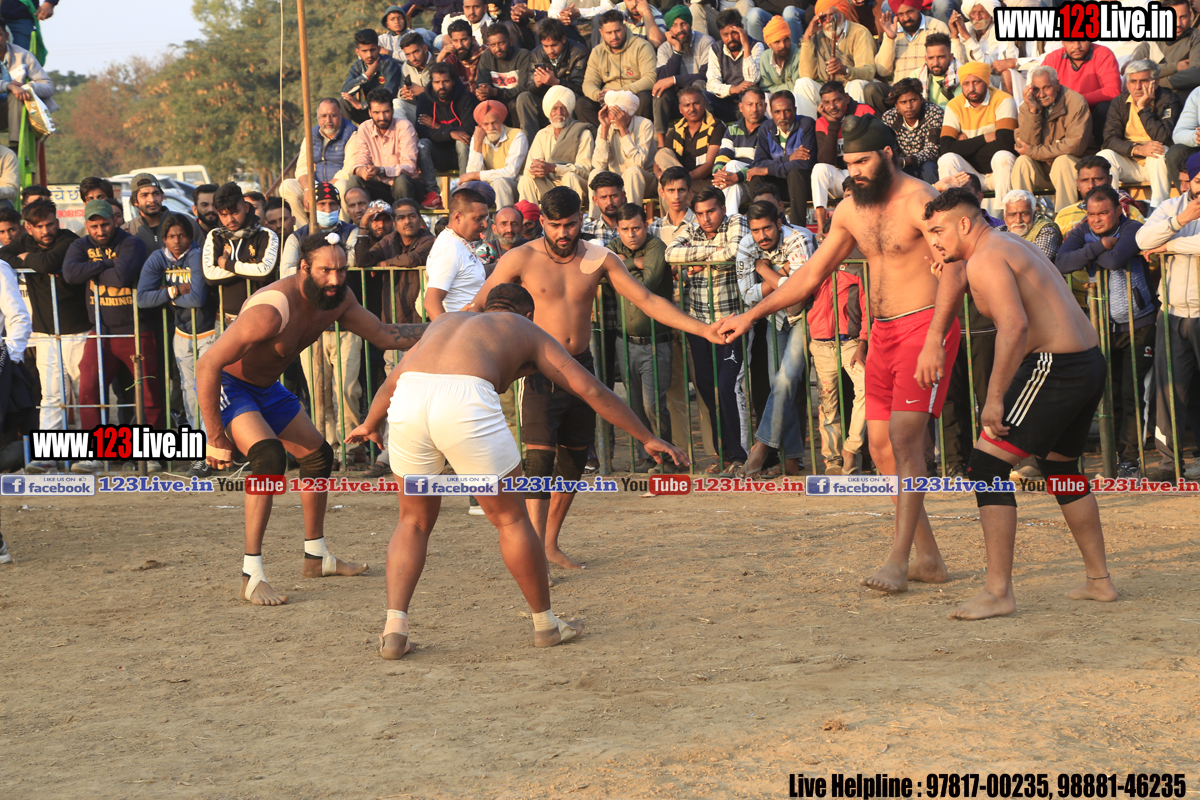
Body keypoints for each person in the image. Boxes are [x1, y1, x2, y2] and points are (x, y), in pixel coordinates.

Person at [348, 282, 686, 658]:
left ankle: (394, 631)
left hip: (409, 398)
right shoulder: (524, 327)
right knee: (511, 519)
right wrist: (646, 437)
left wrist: (370, 424)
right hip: (465, 399)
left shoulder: (445, 322)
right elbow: (590, 390)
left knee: (412, 520)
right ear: (528, 314)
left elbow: (393, 381)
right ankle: (546, 626)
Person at [718, 114, 962, 594]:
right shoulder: (850, 209)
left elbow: (954, 269)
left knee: (905, 442)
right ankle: (929, 559)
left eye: (863, 161)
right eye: (849, 164)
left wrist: (937, 336)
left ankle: (898, 560)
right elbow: (810, 275)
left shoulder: (921, 200)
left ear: (887, 155)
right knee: (881, 448)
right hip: (882, 333)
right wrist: (751, 316)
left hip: (923, 327)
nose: (855, 172)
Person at [469, 186, 723, 572]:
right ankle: (533, 555)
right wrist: (443, 337)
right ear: (541, 222)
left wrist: (703, 329)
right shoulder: (520, 257)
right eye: (555, 225)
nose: (563, 233)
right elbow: (479, 305)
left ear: (581, 220)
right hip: (537, 369)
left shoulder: (599, 257)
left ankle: (549, 544)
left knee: (574, 463)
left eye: (571, 224)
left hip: (580, 365)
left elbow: (647, 301)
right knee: (538, 462)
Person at [197, 234, 428, 606]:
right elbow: (208, 364)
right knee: (269, 458)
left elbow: (385, 335)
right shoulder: (272, 309)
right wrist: (215, 437)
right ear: (304, 268)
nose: (335, 280)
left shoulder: (338, 299)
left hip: (267, 389)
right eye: (325, 271)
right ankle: (251, 575)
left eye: (341, 270)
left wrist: (448, 326)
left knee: (319, 456)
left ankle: (316, 557)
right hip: (231, 385)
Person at [920, 186, 1117, 619]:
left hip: (1055, 365)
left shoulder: (986, 257)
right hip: (1086, 361)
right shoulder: (1006, 244)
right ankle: (1099, 581)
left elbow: (1013, 326)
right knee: (1061, 469)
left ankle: (998, 592)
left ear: (965, 224)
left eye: (938, 231)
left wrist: (993, 399)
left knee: (986, 466)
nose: (934, 241)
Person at [1056, 185, 1156, 478]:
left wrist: (1088, 254)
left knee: (1132, 394)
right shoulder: (1084, 230)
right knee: (1108, 395)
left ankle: (1130, 460)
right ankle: (1112, 458)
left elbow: (1115, 261)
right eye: (1091, 214)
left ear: (1118, 210)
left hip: (1139, 324)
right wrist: (1100, 246)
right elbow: (1061, 263)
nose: (1096, 219)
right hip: (1101, 327)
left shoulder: (1132, 228)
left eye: (1103, 213)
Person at [62, 200, 165, 471]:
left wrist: (93, 269)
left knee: (148, 393)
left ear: (115, 220)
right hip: (101, 331)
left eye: (105, 224)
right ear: (86, 225)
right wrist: (108, 263)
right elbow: (70, 274)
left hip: (136, 328)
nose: (100, 230)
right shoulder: (80, 245)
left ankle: (150, 454)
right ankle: (94, 454)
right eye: (94, 226)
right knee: (88, 391)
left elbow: (121, 278)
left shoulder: (131, 243)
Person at [665, 185, 750, 472]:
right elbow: (670, 254)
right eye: (700, 213)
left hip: (730, 323)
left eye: (711, 211)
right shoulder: (692, 227)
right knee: (706, 388)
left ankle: (740, 456)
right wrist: (711, 255)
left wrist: (697, 258)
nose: (705, 218)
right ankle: (723, 456)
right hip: (699, 325)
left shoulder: (736, 221)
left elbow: (734, 252)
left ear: (723, 208)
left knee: (727, 387)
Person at [0, 200, 86, 469]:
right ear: (28, 228)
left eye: (50, 224)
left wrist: (29, 260)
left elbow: (50, 261)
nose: (46, 231)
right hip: (45, 333)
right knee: (51, 396)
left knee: (83, 394)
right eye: (39, 226)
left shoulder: (70, 240)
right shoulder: (24, 242)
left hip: (79, 330)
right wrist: (30, 259)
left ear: (57, 222)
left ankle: (88, 456)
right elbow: (4, 256)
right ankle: (47, 456)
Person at [734, 200, 816, 477]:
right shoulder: (747, 244)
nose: (762, 236)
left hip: (805, 314)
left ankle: (760, 446)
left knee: (785, 380)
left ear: (779, 223)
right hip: (774, 317)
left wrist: (763, 270)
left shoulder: (800, 238)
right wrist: (781, 276)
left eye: (767, 228)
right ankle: (791, 459)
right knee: (779, 386)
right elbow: (749, 297)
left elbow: (798, 293)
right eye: (756, 230)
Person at [355, 198, 436, 479]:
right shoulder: (389, 240)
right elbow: (362, 261)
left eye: (411, 216)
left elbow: (415, 259)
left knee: (424, 394)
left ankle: (425, 454)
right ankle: (388, 454)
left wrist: (385, 263)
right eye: (401, 217)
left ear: (419, 219)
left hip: (424, 329)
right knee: (394, 393)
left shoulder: (430, 240)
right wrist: (363, 227)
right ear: (395, 222)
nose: (407, 221)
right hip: (394, 331)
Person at [136, 213, 218, 478]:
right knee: (189, 394)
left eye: (182, 235)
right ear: (164, 238)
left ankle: (215, 451)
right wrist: (173, 291)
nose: (177, 240)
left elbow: (197, 298)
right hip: (181, 334)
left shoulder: (196, 254)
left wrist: (164, 297)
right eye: (171, 236)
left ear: (190, 236)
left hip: (209, 333)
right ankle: (199, 454)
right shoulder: (158, 258)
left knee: (212, 392)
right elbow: (142, 299)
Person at [1137, 153, 1200, 481]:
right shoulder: (1171, 207)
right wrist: (1181, 220)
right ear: (1189, 181)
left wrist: (1170, 245)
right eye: (1199, 180)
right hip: (1172, 312)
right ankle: (1168, 463)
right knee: (1169, 390)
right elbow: (1142, 240)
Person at [1053, 154, 1146, 311]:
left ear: (1109, 180)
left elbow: (1143, 258)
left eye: (1097, 179)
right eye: (1085, 180)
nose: (1091, 185)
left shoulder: (1130, 213)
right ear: (1077, 184)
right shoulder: (1064, 215)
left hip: (1125, 303)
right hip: (1075, 301)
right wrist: (1099, 246)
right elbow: (1060, 260)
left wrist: (1084, 250)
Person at [1096, 60, 1180, 213]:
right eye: (1133, 81)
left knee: (1158, 151)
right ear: (1127, 84)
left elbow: (1162, 136)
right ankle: (1110, 208)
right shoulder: (1119, 102)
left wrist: (1143, 108)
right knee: (1104, 156)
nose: (1138, 86)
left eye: (1144, 81)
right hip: (1129, 161)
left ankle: (1158, 210)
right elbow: (1109, 140)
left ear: (1156, 82)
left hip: (1157, 165)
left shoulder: (1168, 99)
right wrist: (1137, 149)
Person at [936, 61, 1017, 216]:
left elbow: (1005, 144)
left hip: (997, 173)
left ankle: (1004, 218)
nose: (971, 88)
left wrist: (964, 147)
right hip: (969, 174)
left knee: (1003, 157)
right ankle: (954, 214)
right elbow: (946, 147)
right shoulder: (954, 106)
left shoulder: (1003, 100)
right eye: (966, 83)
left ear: (986, 81)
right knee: (947, 159)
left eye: (976, 82)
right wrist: (985, 138)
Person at [1009, 66, 1091, 213]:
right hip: (1042, 169)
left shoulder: (1076, 102)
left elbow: (1074, 146)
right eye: (1036, 89)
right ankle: (1022, 216)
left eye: (1046, 88)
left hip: (1072, 169)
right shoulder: (1027, 106)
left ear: (1057, 85)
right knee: (1022, 162)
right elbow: (1023, 144)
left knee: (1062, 161)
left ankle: (1064, 218)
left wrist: (1033, 151)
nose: (1041, 94)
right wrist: (1033, 112)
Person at [202, 183, 281, 324]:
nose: (230, 219)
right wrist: (250, 265)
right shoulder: (214, 236)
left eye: (234, 212)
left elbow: (265, 271)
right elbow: (210, 275)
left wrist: (226, 264)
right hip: (225, 321)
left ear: (246, 208)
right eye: (223, 215)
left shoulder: (267, 235)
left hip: (261, 318)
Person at [794, 0, 885, 120]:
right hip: (829, 89)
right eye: (823, 17)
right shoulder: (818, 36)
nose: (828, 20)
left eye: (832, 15)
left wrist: (845, 70)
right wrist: (807, 38)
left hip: (852, 85)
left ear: (842, 13)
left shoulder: (860, 32)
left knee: (855, 84)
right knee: (803, 83)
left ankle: (853, 127)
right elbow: (808, 74)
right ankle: (809, 129)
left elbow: (868, 72)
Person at [811, 81, 875, 237]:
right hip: (842, 175)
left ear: (846, 98)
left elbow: (875, 148)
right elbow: (825, 160)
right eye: (826, 103)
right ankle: (821, 228)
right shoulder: (822, 122)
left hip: (865, 174)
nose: (832, 107)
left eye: (837, 100)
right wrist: (833, 125)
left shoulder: (864, 111)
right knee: (819, 169)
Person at [281, 98, 356, 226]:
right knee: (287, 186)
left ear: (341, 115)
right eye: (323, 116)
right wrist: (308, 189)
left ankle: (342, 229)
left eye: (333, 115)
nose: (328, 120)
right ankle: (304, 229)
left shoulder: (352, 134)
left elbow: (349, 169)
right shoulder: (311, 134)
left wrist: (325, 189)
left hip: (337, 184)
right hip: (315, 186)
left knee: (342, 186)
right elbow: (302, 167)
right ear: (318, 117)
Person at [518, 85, 594, 206]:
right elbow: (529, 168)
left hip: (574, 185)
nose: (559, 113)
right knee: (525, 180)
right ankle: (530, 216)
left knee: (570, 176)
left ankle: (570, 214)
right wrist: (537, 169)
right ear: (549, 111)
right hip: (549, 186)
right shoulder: (542, 134)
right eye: (554, 108)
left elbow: (585, 169)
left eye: (563, 108)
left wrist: (554, 168)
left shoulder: (583, 133)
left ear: (569, 110)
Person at [651, 4, 717, 142]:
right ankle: (661, 143)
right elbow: (662, 79)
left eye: (683, 24)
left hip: (699, 99)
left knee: (699, 84)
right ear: (669, 29)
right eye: (674, 25)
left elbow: (706, 75)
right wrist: (677, 50)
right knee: (661, 92)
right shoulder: (665, 48)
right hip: (677, 101)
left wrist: (674, 80)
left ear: (690, 24)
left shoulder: (706, 42)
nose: (680, 29)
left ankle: (703, 135)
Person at [579, 10, 656, 128]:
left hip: (632, 96)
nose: (614, 36)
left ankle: (637, 133)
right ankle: (604, 134)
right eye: (609, 33)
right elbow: (589, 83)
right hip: (607, 99)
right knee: (582, 104)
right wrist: (598, 95)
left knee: (645, 97)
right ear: (601, 32)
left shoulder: (642, 46)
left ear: (624, 28)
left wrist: (621, 92)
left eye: (617, 31)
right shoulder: (597, 52)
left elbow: (650, 78)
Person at [516, 18, 588, 143]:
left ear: (563, 39)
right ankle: (531, 145)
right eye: (546, 46)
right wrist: (536, 84)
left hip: (569, 102)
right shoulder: (536, 54)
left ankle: (570, 143)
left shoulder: (579, 52)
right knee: (524, 98)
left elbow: (580, 88)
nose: (550, 51)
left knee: (575, 100)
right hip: (546, 102)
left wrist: (556, 82)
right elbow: (529, 86)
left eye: (554, 45)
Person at [346, 88, 423, 206]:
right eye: (376, 113)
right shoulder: (364, 128)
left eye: (386, 112)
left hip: (409, 186)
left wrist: (382, 170)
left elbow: (409, 167)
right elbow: (361, 159)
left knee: (401, 181)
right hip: (382, 187)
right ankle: (362, 218)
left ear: (392, 110)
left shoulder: (404, 127)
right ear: (370, 113)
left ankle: (403, 215)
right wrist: (362, 171)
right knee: (354, 181)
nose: (382, 117)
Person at [1041, 41, 1120, 149]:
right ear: (1063, 42)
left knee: (1106, 107)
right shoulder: (1053, 58)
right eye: (1071, 41)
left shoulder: (1103, 54)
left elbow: (1113, 91)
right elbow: (1038, 89)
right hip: (1062, 116)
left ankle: (1101, 149)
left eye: (1082, 40)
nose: (1077, 46)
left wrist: (1076, 101)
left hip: (1092, 116)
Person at [426, 188, 489, 320]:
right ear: (457, 217)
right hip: (463, 328)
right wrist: (450, 329)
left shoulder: (458, 242)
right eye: (478, 219)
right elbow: (431, 302)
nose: (484, 224)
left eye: (485, 218)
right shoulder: (449, 248)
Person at [589, 89, 656, 208]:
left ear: (627, 112)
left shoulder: (645, 124)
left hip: (643, 181)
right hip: (615, 184)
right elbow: (598, 165)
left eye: (617, 112)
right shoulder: (605, 126)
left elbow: (637, 163)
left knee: (632, 172)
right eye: (610, 112)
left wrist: (623, 130)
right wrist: (604, 129)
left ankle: (632, 215)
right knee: (595, 173)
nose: (612, 117)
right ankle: (595, 217)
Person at [654, 85, 724, 190]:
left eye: (696, 103)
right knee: (663, 154)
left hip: (707, 182)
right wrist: (660, 175)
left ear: (704, 104)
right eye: (687, 105)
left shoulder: (716, 126)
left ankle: (675, 185)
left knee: (669, 184)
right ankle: (674, 184)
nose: (692, 109)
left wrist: (683, 179)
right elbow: (659, 160)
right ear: (680, 109)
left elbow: (709, 165)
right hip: (682, 181)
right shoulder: (676, 130)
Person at [415, 62, 478, 180]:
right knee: (422, 144)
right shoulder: (424, 98)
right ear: (431, 82)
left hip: (463, 154)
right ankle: (431, 189)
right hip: (438, 152)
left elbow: (469, 129)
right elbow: (422, 131)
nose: (441, 86)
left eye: (446, 81)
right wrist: (450, 133)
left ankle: (465, 185)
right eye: (437, 82)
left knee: (462, 141)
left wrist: (438, 127)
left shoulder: (466, 98)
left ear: (453, 81)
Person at [711, 86, 768, 213]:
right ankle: (732, 220)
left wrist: (737, 176)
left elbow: (762, 163)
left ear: (765, 106)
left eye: (759, 104)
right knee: (733, 187)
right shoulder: (732, 129)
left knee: (733, 164)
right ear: (741, 107)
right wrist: (718, 173)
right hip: (735, 182)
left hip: (758, 182)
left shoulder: (770, 129)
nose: (754, 109)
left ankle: (720, 219)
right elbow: (723, 156)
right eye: (750, 104)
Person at [874, 0, 961, 82]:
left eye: (910, 12)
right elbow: (883, 71)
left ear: (918, 9)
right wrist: (890, 38)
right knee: (872, 89)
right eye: (901, 14)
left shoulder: (937, 27)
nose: (906, 18)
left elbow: (954, 64)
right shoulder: (893, 30)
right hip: (900, 88)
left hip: (929, 87)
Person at [947, 0, 1018, 94]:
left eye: (982, 12)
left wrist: (967, 37)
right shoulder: (966, 27)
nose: (977, 18)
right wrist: (954, 36)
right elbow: (959, 64)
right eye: (973, 13)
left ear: (991, 15)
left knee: (979, 79)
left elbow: (987, 66)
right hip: (968, 79)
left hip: (993, 82)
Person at [0, 25, 54, 147]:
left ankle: (15, 145)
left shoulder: (23, 55)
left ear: (6, 36)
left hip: (19, 113)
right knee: (13, 90)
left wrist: (27, 87)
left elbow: (48, 86)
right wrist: (9, 86)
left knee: (16, 95)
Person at [705, 10, 764, 123]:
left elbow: (752, 80)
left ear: (742, 28)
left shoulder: (756, 46)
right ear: (720, 33)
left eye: (734, 33)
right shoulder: (715, 49)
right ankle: (715, 130)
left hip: (746, 105)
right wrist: (733, 89)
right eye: (725, 35)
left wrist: (746, 46)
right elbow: (712, 84)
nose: (730, 38)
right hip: (724, 102)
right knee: (702, 96)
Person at [882, 77, 942, 184]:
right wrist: (898, 161)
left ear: (921, 99)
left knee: (929, 169)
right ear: (896, 105)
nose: (909, 106)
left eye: (913, 100)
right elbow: (888, 147)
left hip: (928, 163)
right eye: (903, 102)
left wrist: (906, 161)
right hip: (901, 165)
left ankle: (936, 194)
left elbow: (932, 150)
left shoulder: (934, 112)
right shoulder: (889, 117)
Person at [341, 28, 405, 125]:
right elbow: (345, 91)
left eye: (372, 50)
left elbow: (389, 93)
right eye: (364, 51)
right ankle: (347, 133)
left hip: (386, 111)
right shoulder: (357, 66)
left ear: (379, 49)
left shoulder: (388, 64)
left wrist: (362, 105)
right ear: (358, 52)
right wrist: (367, 75)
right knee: (343, 102)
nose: (369, 55)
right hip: (368, 111)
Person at [476, 22, 532, 123]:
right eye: (493, 45)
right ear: (488, 45)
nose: (497, 49)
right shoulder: (486, 57)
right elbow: (482, 83)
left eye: (501, 43)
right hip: (496, 101)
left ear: (510, 41)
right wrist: (482, 91)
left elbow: (524, 88)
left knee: (515, 103)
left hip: (517, 102)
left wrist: (495, 92)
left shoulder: (523, 55)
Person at [911, 32, 959, 109]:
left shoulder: (961, 75)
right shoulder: (916, 75)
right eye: (931, 58)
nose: (936, 63)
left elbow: (959, 108)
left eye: (941, 57)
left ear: (950, 57)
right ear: (926, 58)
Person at [758, 15, 801, 96]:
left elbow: (798, 86)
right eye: (777, 42)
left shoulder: (798, 53)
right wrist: (789, 85)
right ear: (769, 45)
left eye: (786, 40)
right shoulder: (765, 58)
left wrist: (774, 90)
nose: (783, 45)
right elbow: (765, 89)